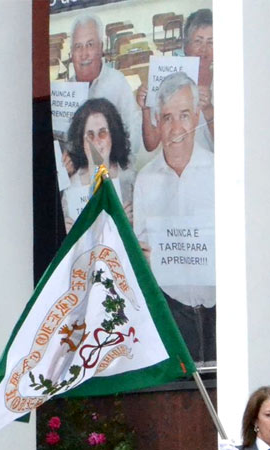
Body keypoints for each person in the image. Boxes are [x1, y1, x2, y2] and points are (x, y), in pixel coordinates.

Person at [131, 72, 215, 359]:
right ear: (157, 122)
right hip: (171, 313)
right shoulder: (145, 180)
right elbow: (141, 246)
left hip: (220, 311)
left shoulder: (220, 172)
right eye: (167, 117)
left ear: (195, 118)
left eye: (183, 116)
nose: (175, 127)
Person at [64, 15, 145, 159]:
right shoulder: (65, 94)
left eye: (90, 44)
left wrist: (116, 165)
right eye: (78, 46)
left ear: (101, 48)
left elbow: (134, 133)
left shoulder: (117, 82)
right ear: (71, 54)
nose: (84, 54)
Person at [138, 9, 215, 153]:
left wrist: (208, 109)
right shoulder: (169, 79)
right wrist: (146, 109)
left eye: (211, 42)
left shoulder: (228, 81)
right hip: (174, 166)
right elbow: (151, 144)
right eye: (198, 41)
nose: (204, 49)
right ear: (186, 46)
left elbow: (231, 146)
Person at [59, 98, 134, 227]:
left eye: (102, 133)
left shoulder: (130, 181)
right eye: (90, 135)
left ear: (113, 135)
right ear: (81, 141)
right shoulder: (71, 189)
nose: (96, 141)